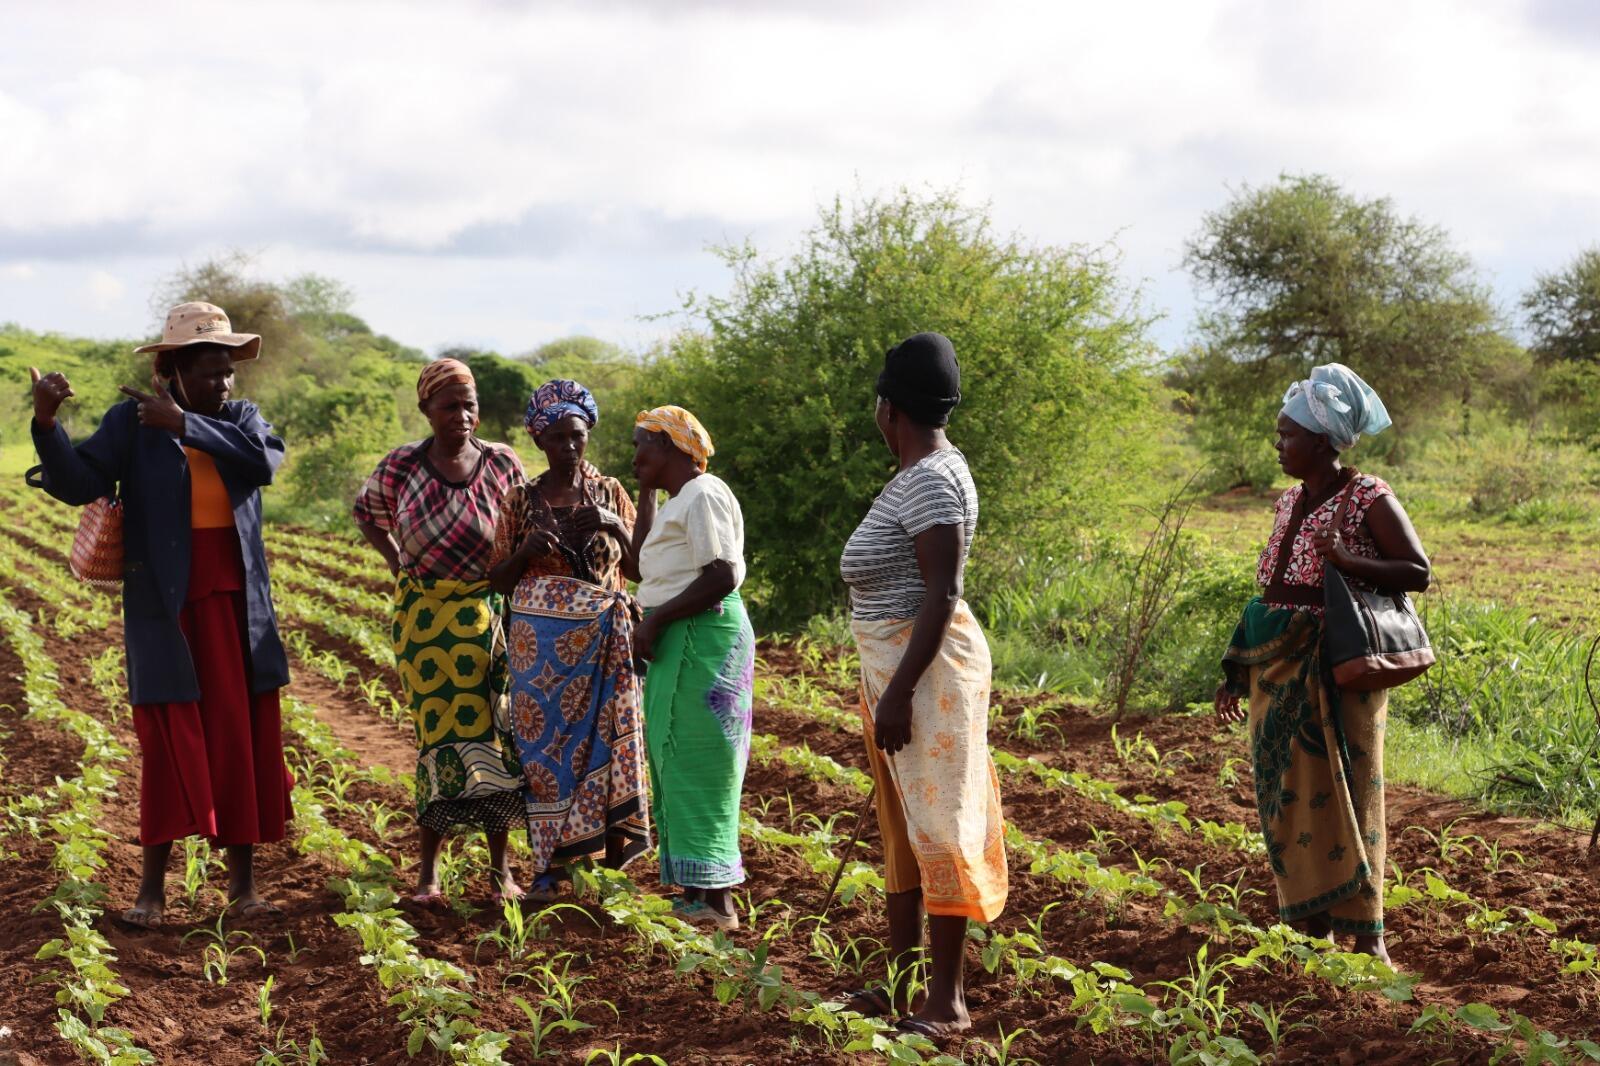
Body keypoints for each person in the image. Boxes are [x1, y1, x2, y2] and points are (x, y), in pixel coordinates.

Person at [27, 301, 293, 927]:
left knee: (238, 739)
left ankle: (244, 889)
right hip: (165, 612)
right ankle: (151, 892)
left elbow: (263, 464)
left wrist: (186, 426)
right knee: (169, 743)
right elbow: (75, 482)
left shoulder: (242, 421)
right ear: (170, 370)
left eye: (226, 371)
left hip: (234, 609)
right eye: (206, 371)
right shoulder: (130, 423)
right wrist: (46, 421)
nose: (221, 384)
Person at [1214, 363, 1430, 964]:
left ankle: (1369, 935)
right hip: (1276, 674)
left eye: (1287, 434)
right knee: (1285, 795)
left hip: (1339, 668)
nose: (1278, 444)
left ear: (1320, 440)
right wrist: (1236, 669)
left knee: (1352, 789)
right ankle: (1312, 925)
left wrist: (1347, 559)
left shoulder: (1368, 496)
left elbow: (1417, 571)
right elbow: (1272, 592)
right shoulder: (1289, 501)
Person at [837, 332, 1008, 1037]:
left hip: (926, 675)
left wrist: (901, 692)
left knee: (939, 830)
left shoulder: (934, 477)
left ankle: (948, 1003)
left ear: (889, 410)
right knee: (905, 832)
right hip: (904, 670)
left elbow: (942, 593)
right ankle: (898, 982)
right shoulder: (925, 472)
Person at [354, 358, 527, 905]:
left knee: (498, 734)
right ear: (426, 409)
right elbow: (367, 513)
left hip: (489, 613)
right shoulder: (403, 464)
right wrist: (396, 563)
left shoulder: (502, 463)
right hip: (425, 620)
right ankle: (428, 873)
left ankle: (502, 871)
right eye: (450, 405)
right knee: (438, 738)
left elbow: (526, 526)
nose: (463, 415)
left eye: (470, 404)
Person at [487, 380, 649, 903]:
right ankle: (548, 872)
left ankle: (604, 870)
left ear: (587, 435)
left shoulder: (611, 493)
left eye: (576, 436)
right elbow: (497, 580)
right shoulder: (521, 499)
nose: (569, 447)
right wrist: (524, 551)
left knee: (604, 745)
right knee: (545, 761)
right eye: (557, 438)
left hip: (603, 648)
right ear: (540, 441)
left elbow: (639, 569)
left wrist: (613, 527)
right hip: (540, 656)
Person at [629, 405, 753, 930]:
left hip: (700, 637)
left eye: (642, 446)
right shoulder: (682, 499)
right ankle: (696, 891)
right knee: (675, 757)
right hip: (684, 636)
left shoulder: (704, 493)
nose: (634, 456)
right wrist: (647, 492)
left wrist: (655, 624)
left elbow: (722, 574)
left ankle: (717, 901)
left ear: (670, 447)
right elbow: (637, 567)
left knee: (697, 760)